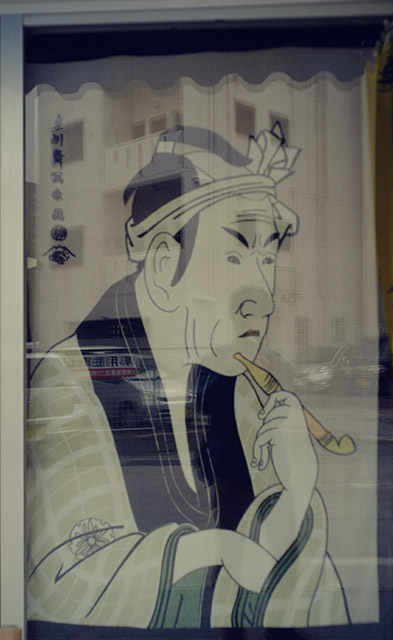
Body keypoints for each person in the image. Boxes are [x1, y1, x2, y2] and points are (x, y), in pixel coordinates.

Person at [27, 124, 350, 631]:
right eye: (233, 256)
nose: (263, 297)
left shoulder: (243, 392)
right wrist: (213, 548)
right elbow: (68, 578)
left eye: (266, 257)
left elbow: (285, 589)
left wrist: (295, 490)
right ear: (162, 266)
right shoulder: (71, 380)